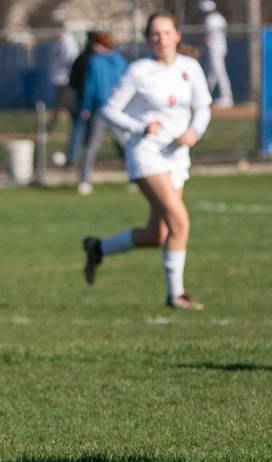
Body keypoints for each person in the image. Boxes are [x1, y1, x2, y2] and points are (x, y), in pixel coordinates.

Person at [83, 13, 211, 310]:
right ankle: (176, 295)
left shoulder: (190, 68)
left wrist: (195, 131)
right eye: (155, 34)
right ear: (147, 39)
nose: (161, 39)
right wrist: (139, 127)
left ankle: (97, 248)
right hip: (146, 153)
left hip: (177, 156)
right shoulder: (139, 71)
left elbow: (203, 106)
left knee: (159, 234)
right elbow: (109, 110)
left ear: (177, 35)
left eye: (166, 33)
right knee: (180, 221)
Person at [77, 32, 127, 195]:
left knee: (95, 145)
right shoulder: (119, 61)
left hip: (105, 109)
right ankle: (136, 178)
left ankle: (85, 181)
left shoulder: (98, 61)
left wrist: (86, 106)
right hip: (114, 109)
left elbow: (90, 87)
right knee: (120, 145)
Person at [65, 32, 97, 167]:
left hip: (93, 101)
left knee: (90, 132)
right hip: (84, 101)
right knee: (80, 129)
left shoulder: (93, 59)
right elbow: (74, 81)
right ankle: (73, 158)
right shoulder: (86, 59)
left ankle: (78, 158)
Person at [200, 0, 233, 107]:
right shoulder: (219, 17)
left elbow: (208, 34)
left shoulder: (211, 18)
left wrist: (199, 45)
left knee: (219, 72)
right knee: (212, 72)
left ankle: (227, 97)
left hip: (215, 47)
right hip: (220, 46)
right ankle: (205, 96)